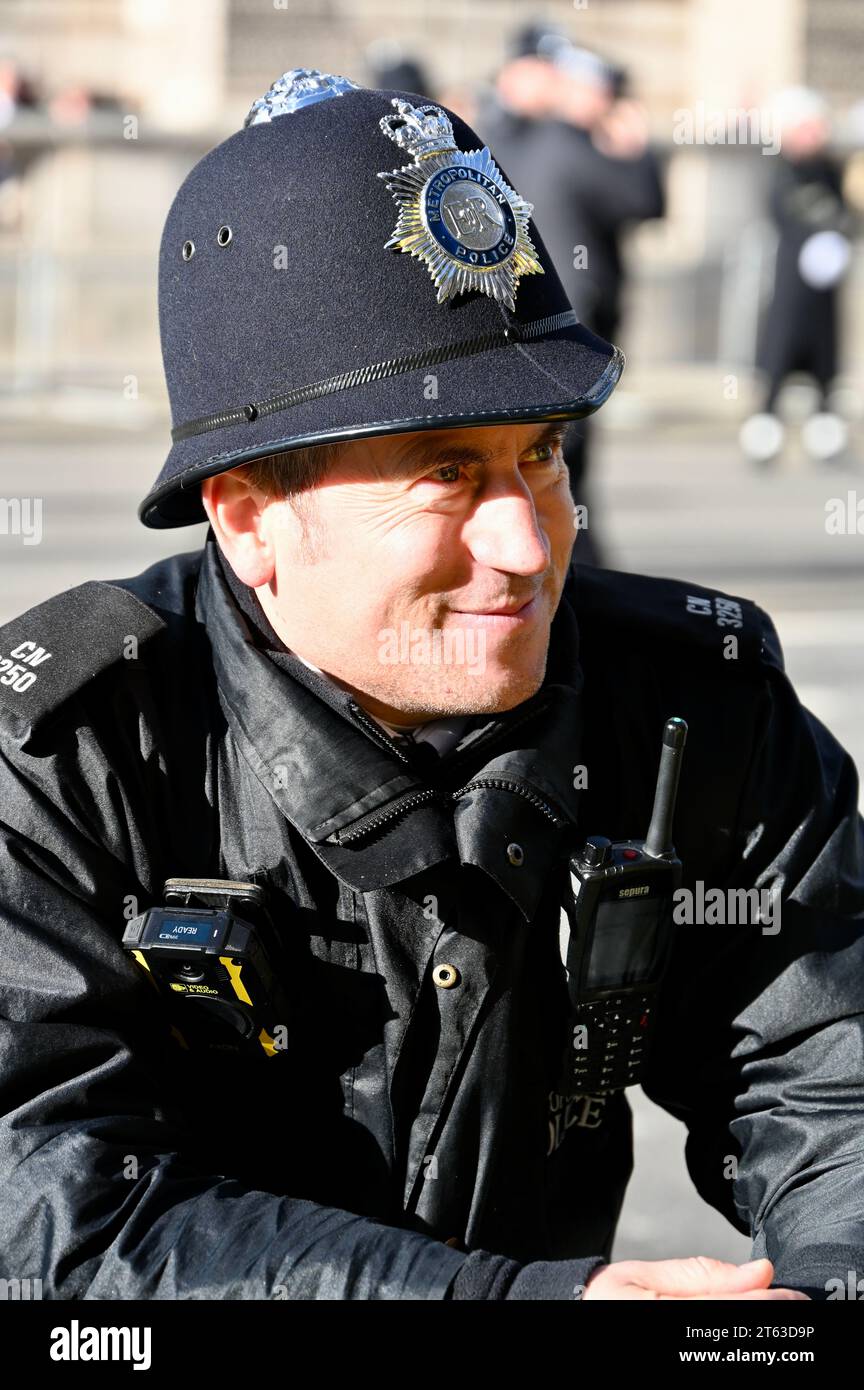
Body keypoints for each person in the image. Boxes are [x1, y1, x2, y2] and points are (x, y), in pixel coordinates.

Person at [0, 69, 861, 1303]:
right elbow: (49, 1225)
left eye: (545, 453)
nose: (534, 540)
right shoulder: (66, 761)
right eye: (447, 474)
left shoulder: (691, 707)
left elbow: (830, 1062)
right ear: (249, 518)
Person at [478, 39, 664, 565]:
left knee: (546, 454)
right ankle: (581, 568)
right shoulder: (570, 146)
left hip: (526, 318)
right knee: (565, 458)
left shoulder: (518, 139)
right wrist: (637, 148)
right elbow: (646, 201)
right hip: (572, 325)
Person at [740, 87, 856, 466]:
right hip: (790, 282)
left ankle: (824, 423)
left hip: (824, 288)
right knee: (780, 350)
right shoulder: (780, 168)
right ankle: (766, 424)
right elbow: (788, 214)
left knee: (825, 355)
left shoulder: (831, 171)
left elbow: (845, 215)